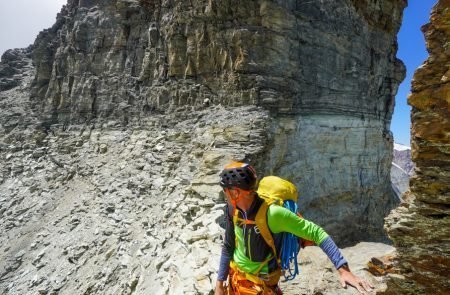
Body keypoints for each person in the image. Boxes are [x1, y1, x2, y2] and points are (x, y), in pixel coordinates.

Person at [215, 162, 374, 295]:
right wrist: (220, 283)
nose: (225, 195)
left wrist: (343, 269)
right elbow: (228, 245)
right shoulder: (233, 209)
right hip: (236, 279)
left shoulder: (273, 213)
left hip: (260, 285)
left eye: (226, 191)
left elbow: (316, 232)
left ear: (235, 192)